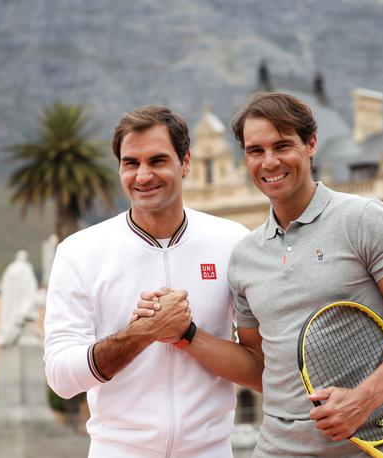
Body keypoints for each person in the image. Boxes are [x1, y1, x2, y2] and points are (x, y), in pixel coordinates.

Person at [136, 92, 383, 456]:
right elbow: (260, 367)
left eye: (282, 146)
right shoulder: (245, 256)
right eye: (256, 151)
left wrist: (363, 399)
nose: (269, 162)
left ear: (311, 144)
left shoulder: (363, 220)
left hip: (362, 448)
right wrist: (185, 334)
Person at [43, 106, 249, 457]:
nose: (142, 175)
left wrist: (187, 335)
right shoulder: (79, 251)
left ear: (186, 163)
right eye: (130, 163)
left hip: (210, 450)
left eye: (157, 160)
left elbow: (259, 368)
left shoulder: (234, 242)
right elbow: (61, 378)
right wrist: (143, 332)